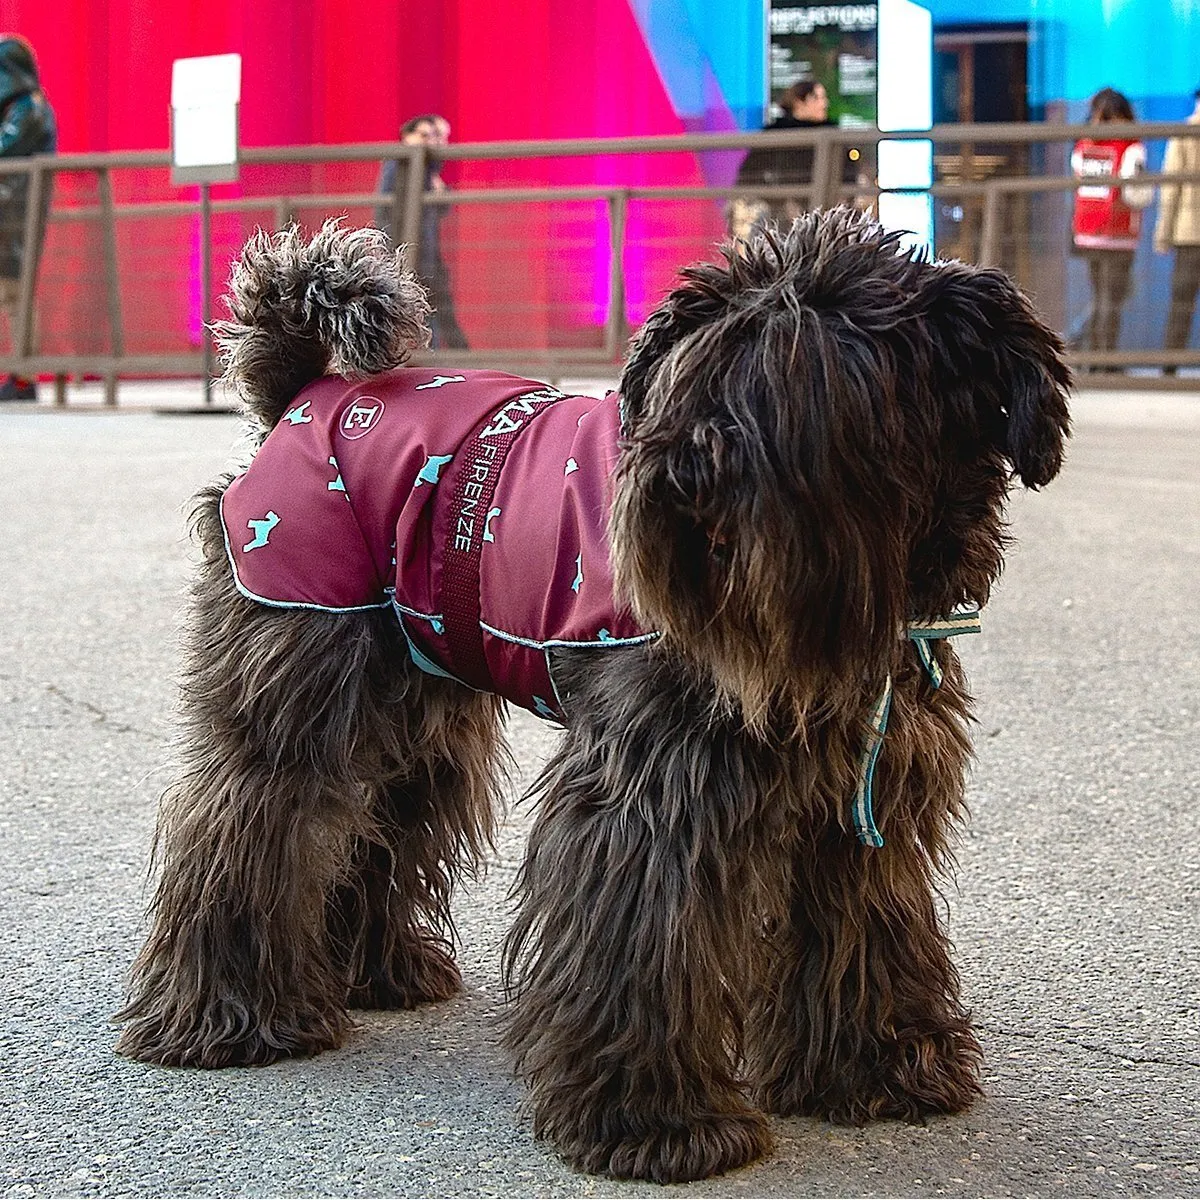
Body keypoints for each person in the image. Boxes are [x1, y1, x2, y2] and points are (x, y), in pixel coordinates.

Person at [1070, 87, 1152, 364]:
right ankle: (1105, 358)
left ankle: (1090, 354)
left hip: (1086, 232)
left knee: (1101, 296)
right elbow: (1136, 194)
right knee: (1112, 300)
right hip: (1118, 234)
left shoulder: (1084, 145)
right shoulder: (1131, 147)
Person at [374, 113, 468, 351]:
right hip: (407, 250)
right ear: (407, 136)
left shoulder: (427, 169)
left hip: (426, 252)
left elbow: (439, 209)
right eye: (424, 135)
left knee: (436, 310)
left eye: (435, 136)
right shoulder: (399, 164)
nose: (431, 142)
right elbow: (388, 210)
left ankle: (454, 360)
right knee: (426, 310)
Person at [729, 82, 861, 240]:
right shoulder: (774, 134)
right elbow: (750, 174)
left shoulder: (832, 135)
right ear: (799, 102)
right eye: (818, 97)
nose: (824, 103)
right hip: (781, 219)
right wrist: (778, 202)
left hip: (827, 215)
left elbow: (848, 174)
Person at [0, 34, 56, 401]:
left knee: (16, 296)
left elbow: (6, 148)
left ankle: (23, 374)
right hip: (10, 215)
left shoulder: (29, 110)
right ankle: (17, 369)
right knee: (10, 295)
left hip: (17, 217)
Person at [1154, 85, 1200, 374]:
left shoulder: (1183, 132)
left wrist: (1163, 234)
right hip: (1187, 232)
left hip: (1188, 233)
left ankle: (1169, 366)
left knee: (1181, 303)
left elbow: (1171, 188)